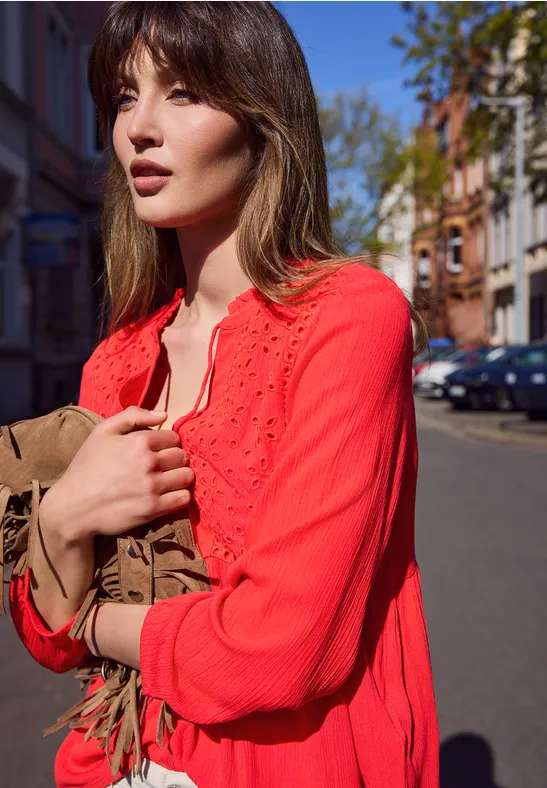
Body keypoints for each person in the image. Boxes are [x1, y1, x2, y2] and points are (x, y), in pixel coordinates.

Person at [9, 3, 439, 787]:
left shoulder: (347, 316)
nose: (139, 127)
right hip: (117, 760)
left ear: (261, 117)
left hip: (287, 766)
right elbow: (42, 640)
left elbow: (274, 650)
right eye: (122, 97)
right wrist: (65, 518)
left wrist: (88, 619)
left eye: (182, 93)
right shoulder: (117, 359)